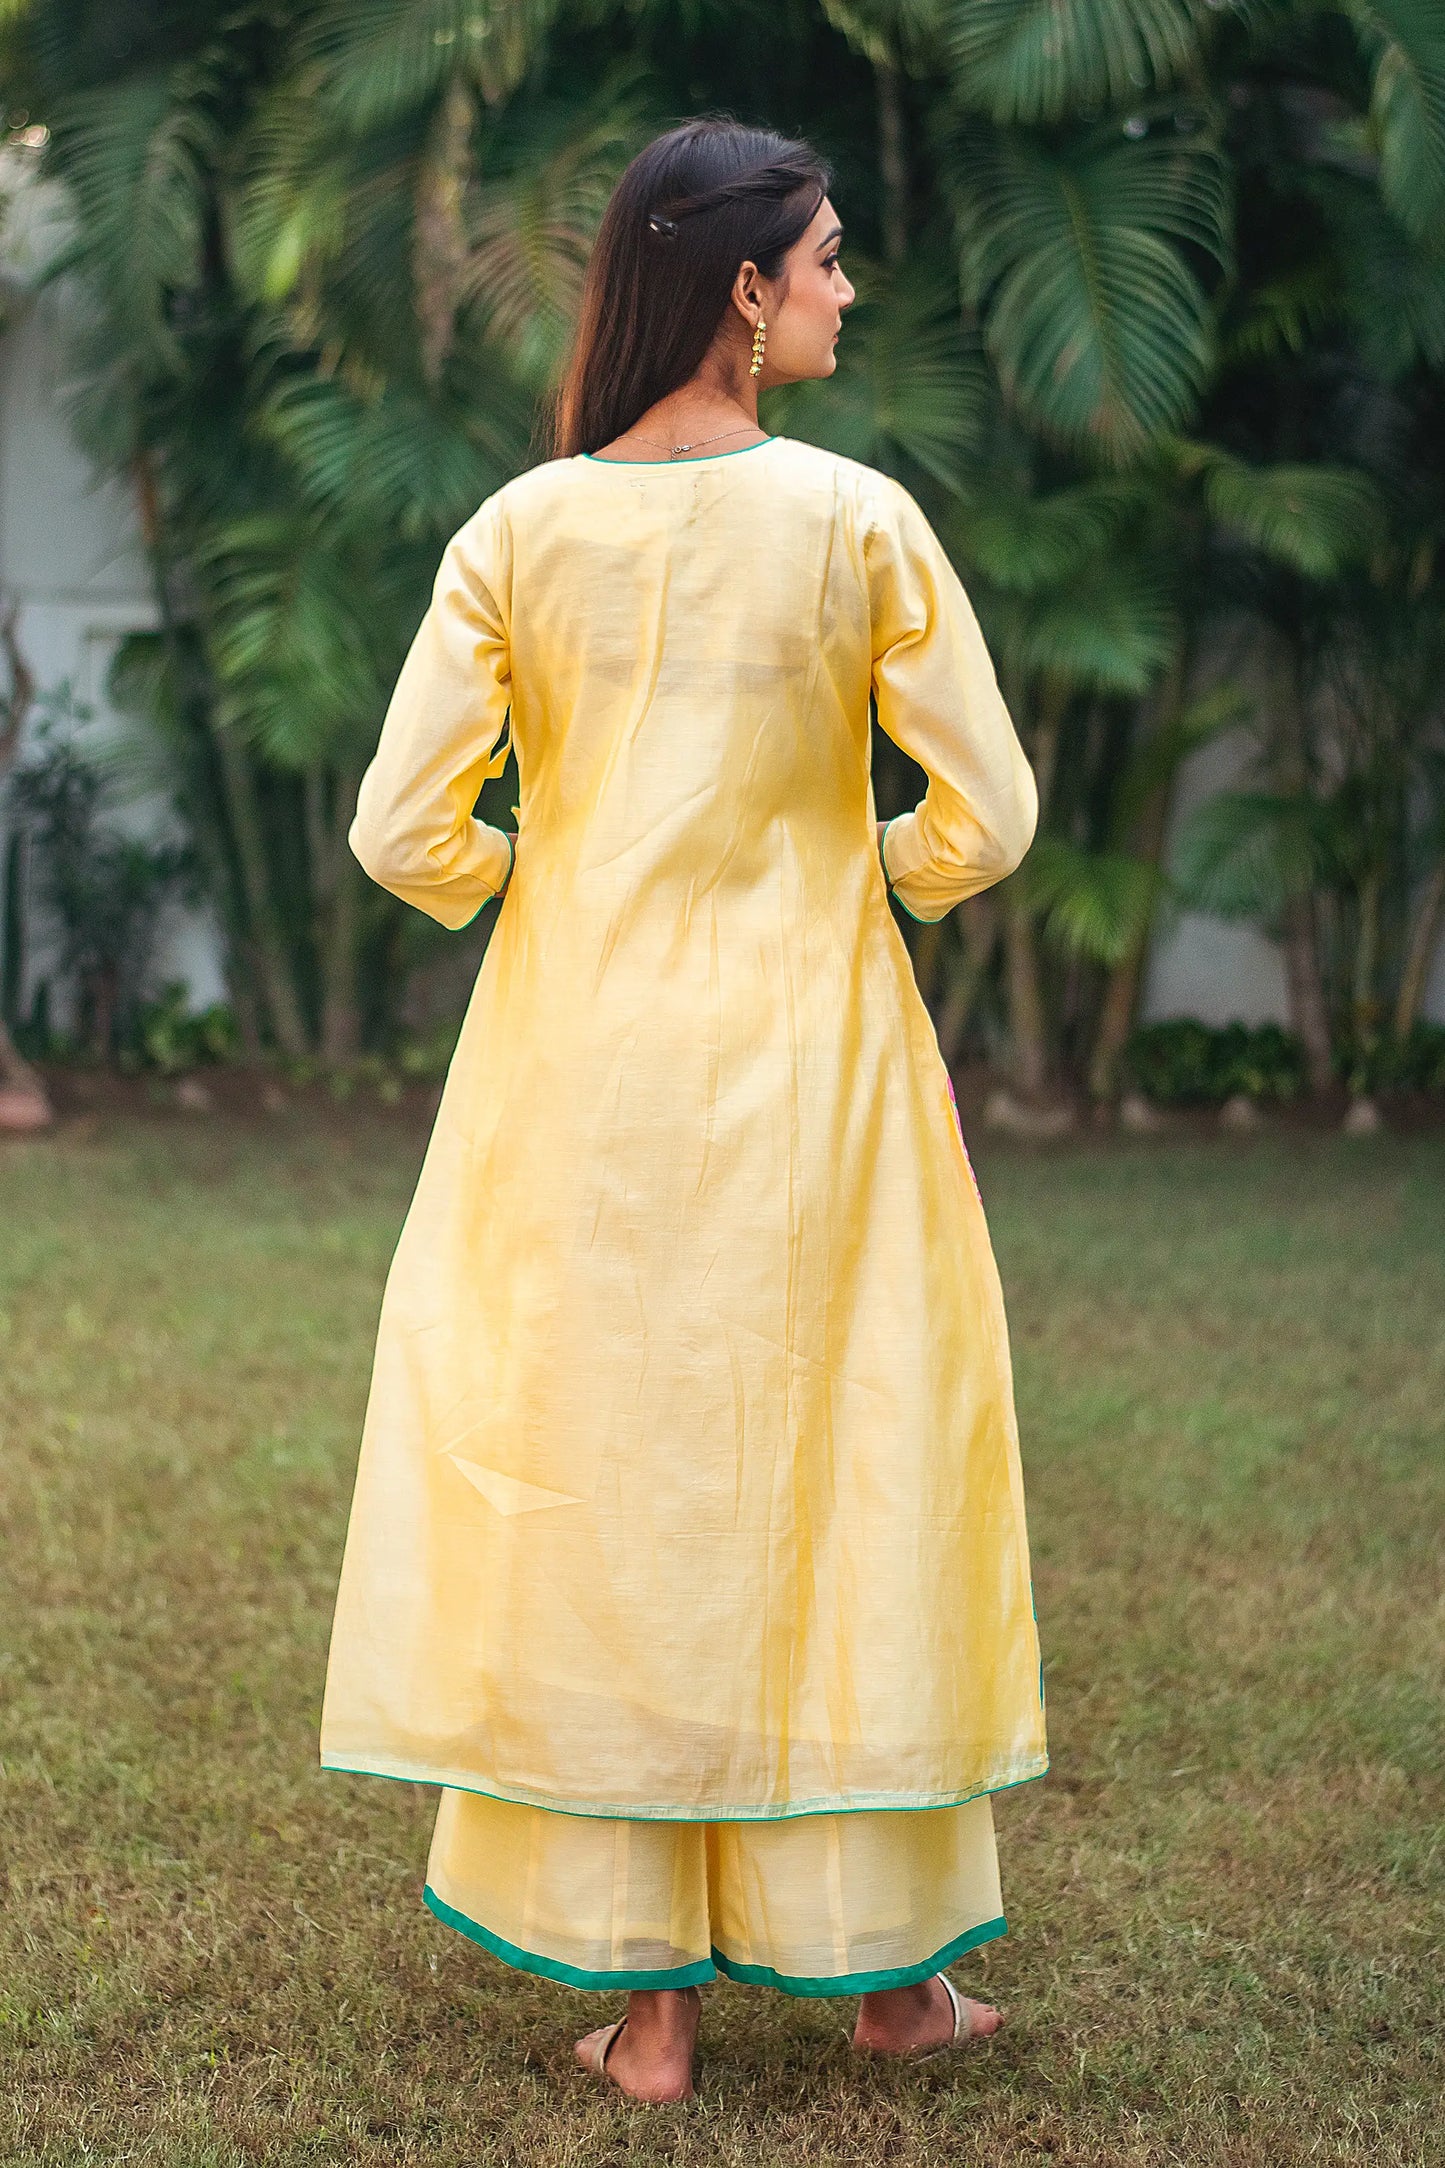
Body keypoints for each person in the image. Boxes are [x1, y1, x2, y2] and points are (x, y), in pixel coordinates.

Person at [319, 115, 1047, 2105]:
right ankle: (892, 1985)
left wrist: (529, 894)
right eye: (822, 258)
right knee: (842, 1469)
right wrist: (869, 883)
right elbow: (991, 810)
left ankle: (652, 2024)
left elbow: (402, 824)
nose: (843, 286)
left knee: (619, 1492)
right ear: (742, 284)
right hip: (819, 1068)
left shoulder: (519, 529)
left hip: (583, 1077)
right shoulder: (859, 519)